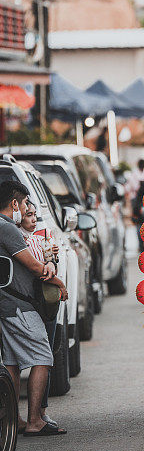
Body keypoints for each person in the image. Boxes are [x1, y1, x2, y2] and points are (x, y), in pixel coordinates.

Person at [0, 180, 66, 437]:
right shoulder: (7, 229)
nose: (28, 208)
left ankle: (14, 420)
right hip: (17, 305)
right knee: (42, 356)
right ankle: (35, 420)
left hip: (8, 303)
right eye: (26, 203)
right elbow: (33, 267)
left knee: (13, 363)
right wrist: (51, 272)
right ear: (14, 203)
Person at [19, 201, 68, 429]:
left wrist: (51, 259)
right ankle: (23, 416)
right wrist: (58, 281)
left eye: (34, 215)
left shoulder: (42, 238)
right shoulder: (15, 239)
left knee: (46, 354)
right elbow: (36, 271)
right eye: (28, 215)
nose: (33, 219)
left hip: (45, 303)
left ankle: (42, 411)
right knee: (33, 358)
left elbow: (49, 265)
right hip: (26, 303)